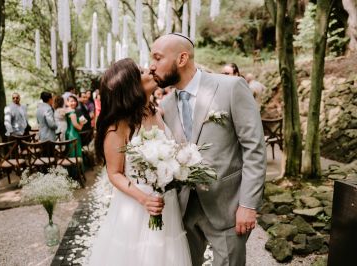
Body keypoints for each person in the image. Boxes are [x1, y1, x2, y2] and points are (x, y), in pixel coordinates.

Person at [150, 33, 266, 266]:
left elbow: (254, 147)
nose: (151, 66)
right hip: (184, 210)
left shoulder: (231, 87)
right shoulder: (165, 105)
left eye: (157, 58)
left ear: (182, 59)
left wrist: (248, 205)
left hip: (228, 206)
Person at [86, 58, 191, 265]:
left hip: (165, 202)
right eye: (142, 72)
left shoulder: (156, 111)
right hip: (136, 206)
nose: (150, 70)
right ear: (130, 86)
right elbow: (114, 173)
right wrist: (144, 199)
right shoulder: (118, 126)